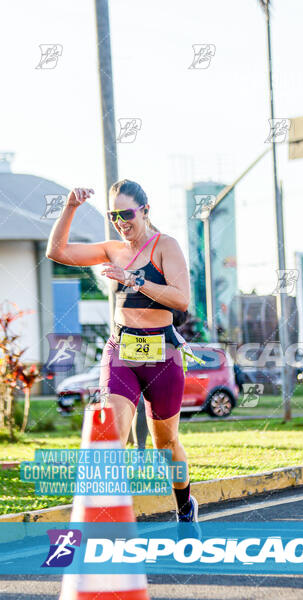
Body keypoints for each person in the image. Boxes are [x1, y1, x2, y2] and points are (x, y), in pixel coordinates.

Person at [46, 180, 199, 524]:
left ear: (145, 210)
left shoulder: (165, 246)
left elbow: (181, 300)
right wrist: (70, 206)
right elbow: (57, 252)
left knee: (166, 445)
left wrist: (135, 280)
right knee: (112, 433)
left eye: (126, 213)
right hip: (121, 352)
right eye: (114, 215)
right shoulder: (114, 248)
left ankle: (185, 506)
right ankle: (107, 519)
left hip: (162, 356)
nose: (120, 221)